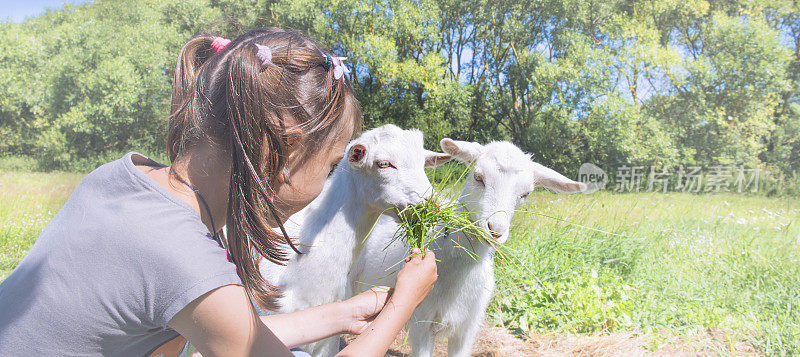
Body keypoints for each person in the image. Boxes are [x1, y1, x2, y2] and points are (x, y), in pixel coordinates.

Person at [0, 27, 438, 356]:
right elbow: (220, 318)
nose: (325, 181)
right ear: (285, 150)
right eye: (328, 165)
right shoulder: (182, 260)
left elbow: (226, 329)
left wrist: (339, 314)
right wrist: (402, 304)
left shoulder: (122, 178)